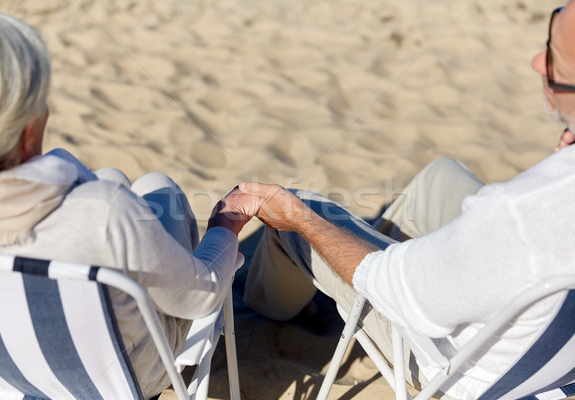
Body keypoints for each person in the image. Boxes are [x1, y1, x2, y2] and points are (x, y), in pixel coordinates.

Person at [238, 3, 575, 399]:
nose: (538, 62)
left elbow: (391, 287)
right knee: (440, 177)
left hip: (457, 366)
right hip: (559, 347)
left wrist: (301, 219)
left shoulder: (515, 212)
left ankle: (272, 305)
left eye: (553, 59)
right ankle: (340, 262)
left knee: (300, 210)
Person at [0, 12, 260, 399]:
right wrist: (226, 224)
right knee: (159, 189)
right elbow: (201, 296)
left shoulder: (100, 208)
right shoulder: (100, 214)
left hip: (6, 374)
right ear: (27, 130)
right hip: (123, 378)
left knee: (110, 177)